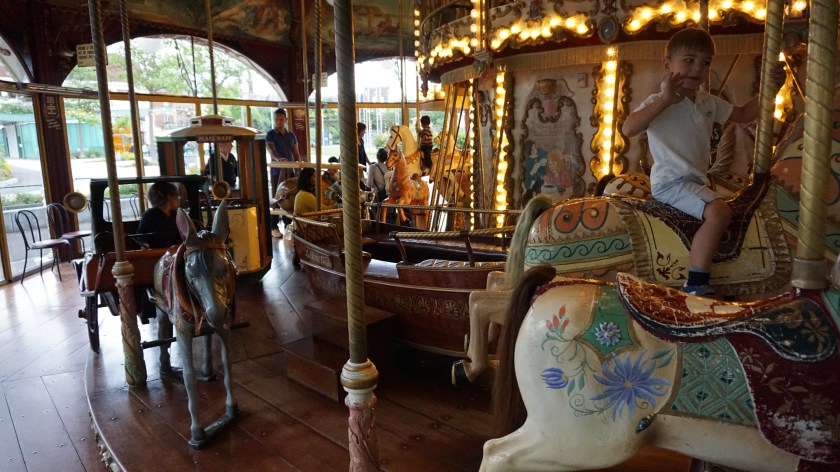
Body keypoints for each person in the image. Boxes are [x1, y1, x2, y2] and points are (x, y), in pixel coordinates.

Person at [622, 28, 782, 297]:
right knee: (719, 213)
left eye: (705, 62)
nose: (698, 68)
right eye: (689, 60)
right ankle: (696, 281)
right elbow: (629, 128)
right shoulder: (658, 101)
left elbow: (744, 114)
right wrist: (664, 100)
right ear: (667, 65)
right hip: (670, 182)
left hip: (696, 182)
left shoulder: (707, 102)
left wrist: (772, 90)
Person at [266, 107, 301, 237]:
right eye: (276, 119)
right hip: (277, 172)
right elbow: (270, 149)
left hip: (290, 171)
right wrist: (278, 159)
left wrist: (298, 168)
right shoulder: (271, 134)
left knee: (290, 198)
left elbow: (296, 152)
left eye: (281, 119)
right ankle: (273, 226)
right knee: (277, 198)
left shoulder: (291, 135)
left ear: (286, 120)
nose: (278, 122)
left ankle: (288, 224)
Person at [136, 182, 182, 249]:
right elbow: (141, 234)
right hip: (157, 251)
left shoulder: (176, 214)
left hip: (175, 250)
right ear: (169, 198)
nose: (179, 199)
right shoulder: (149, 215)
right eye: (177, 196)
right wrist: (144, 243)